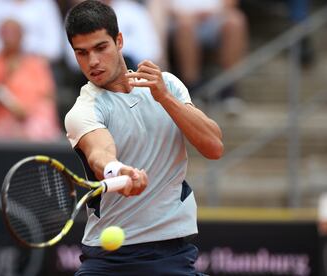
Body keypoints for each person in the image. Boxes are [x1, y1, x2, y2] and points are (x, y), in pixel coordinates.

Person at [64, 1, 224, 275]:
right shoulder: (84, 109)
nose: (93, 62)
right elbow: (99, 153)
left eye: (101, 48)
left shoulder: (167, 85)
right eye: (82, 53)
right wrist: (118, 171)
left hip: (170, 254)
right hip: (107, 260)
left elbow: (214, 147)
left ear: (119, 41)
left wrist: (164, 97)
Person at [0, 18, 62, 141]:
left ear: (22, 35)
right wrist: (6, 75)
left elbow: (48, 97)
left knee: (43, 117)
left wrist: (26, 113)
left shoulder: (36, 63)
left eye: (14, 32)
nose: (10, 37)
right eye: (6, 32)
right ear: (0, 35)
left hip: (34, 124)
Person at [0, 0, 64, 63]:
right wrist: (10, 59)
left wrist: (27, 63)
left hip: (39, 65)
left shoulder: (46, 4)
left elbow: (54, 49)